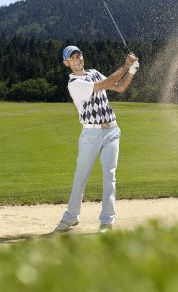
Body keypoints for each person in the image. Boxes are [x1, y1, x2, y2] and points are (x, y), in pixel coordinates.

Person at [55, 45, 139, 232]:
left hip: (112, 131)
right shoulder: (74, 83)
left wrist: (132, 70)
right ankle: (71, 217)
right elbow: (103, 85)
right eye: (73, 58)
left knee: (110, 176)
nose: (77, 59)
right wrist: (126, 66)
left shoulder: (93, 73)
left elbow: (119, 87)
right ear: (66, 63)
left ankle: (107, 221)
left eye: (79, 55)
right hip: (90, 134)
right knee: (81, 177)